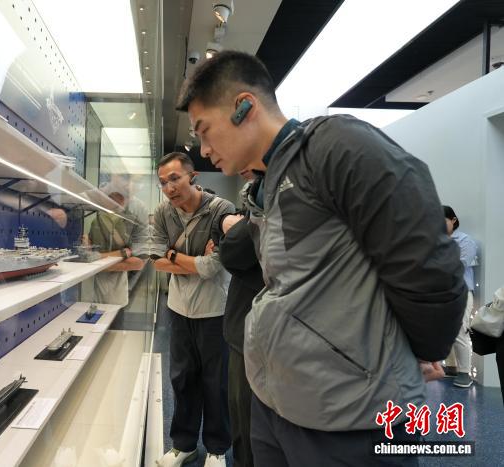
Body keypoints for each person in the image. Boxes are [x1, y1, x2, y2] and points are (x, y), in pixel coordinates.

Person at [176, 50, 467, 466]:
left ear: (244, 107)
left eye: (205, 131)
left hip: (351, 417)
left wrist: (419, 350)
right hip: (277, 404)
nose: (204, 150)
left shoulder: (336, 146)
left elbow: (427, 264)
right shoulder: (265, 185)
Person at [151, 152, 235, 467]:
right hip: (179, 308)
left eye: (174, 179)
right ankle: (183, 445)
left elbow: (213, 267)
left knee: (216, 381)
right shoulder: (163, 212)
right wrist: (191, 261)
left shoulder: (221, 210)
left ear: (193, 176)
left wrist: (172, 254)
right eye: (163, 182)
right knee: (182, 378)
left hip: (215, 310)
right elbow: (155, 260)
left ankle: (217, 448)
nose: (169, 188)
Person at [216, 192, 264, 467]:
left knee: (246, 418)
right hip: (247, 332)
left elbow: (231, 252)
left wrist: (232, 227)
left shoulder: (272, 195)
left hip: (253, 332)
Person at [87, 192, 144, 307]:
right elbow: (89, 257)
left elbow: (137, 263)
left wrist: (98, 260)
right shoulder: (96, 222)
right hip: (100, 292)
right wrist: (121, 254)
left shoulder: (130, 222)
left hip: (116, 291)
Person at [443, 205, 478, 387]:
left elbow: (459, 265)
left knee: (459, 331)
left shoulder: (465, 241)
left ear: (453, 220)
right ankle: (451, 367)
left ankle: (465, 373)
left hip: (461, 292)